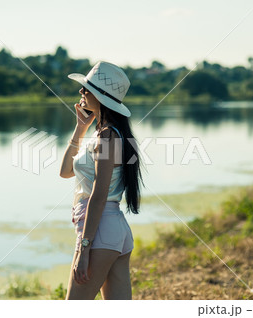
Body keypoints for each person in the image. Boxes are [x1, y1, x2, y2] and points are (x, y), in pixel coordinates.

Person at [60, 61, 143, 300]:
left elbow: (99, 194)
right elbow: (66, 171)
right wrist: (80, 128)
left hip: (100, 232)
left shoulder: (107, 136)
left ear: (99, 95)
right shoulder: (105, 133)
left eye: (85, 89)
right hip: (113, 229)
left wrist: (84, 249)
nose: (81, 92)